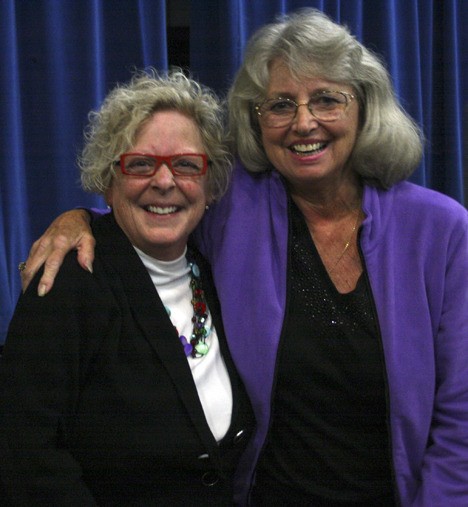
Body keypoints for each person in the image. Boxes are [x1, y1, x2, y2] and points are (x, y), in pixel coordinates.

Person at [18, 8, 468, 507]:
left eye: (326, 99)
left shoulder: (441, 230)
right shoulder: (235, 207)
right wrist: (78, 219)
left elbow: (461, 419)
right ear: (256, 119)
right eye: (280, 105)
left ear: (364, 107)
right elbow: (153, 206)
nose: (303, 122)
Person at [0, 70, 254, 506]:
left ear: (210, 186)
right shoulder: (68, 283)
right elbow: (25, 454)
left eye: (186, 164)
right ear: (108, 181)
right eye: (140, 164)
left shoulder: (218, 272)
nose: (164, 181)